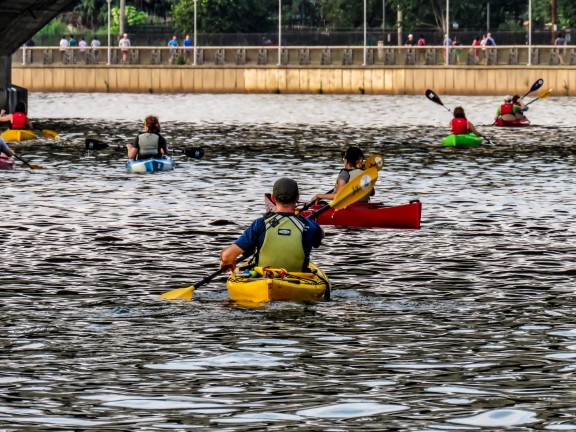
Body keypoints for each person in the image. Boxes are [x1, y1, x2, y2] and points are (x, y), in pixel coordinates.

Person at [220, 177, 324, 273]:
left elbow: (227, 256)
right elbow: (317, 241)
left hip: (263, 279)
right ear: (297, 197)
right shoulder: (311, 226)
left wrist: (228, 261)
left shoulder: (260, 224)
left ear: (273, 198)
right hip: (299, 279)